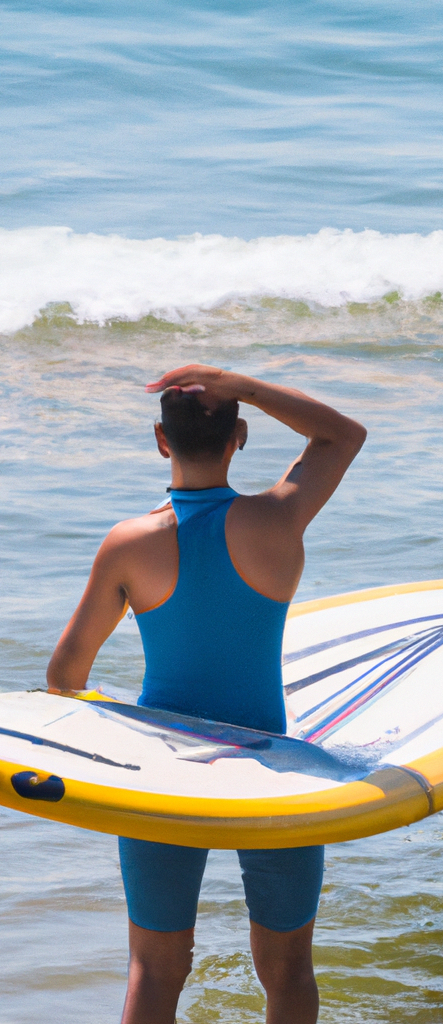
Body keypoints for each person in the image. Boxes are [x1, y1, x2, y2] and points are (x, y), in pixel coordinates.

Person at [46, 364, 366, 1024]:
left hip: (161, 777)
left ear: (161, 441)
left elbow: (65, 678)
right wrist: (238, 383)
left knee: (155, 970)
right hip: (273, 772)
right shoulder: (278, 519)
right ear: (239, 436)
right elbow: (342, 436)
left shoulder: (129, 545)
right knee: (287, 969)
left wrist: (122, 736)